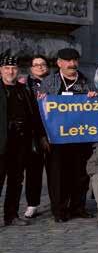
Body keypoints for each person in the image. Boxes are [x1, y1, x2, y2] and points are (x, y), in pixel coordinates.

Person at [38, 48, 98, 222]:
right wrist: (43, 136)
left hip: (81, 137)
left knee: (80, 174)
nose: (72, 64)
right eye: (68, 61)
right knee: (58, 176)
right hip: (57, 139)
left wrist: (95, 98)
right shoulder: (50, 82)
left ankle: (78, 207)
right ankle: (59, 210)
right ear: (59, 63)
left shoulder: (86, 81)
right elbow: (41, 112)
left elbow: (97, 109)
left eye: (75, 60)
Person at [0, 54, 46, 226]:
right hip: (2, 142)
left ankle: (11, 215)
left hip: (20, 142)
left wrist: (41, 136)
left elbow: (35, 116)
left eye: (13, 68)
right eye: (6, 68)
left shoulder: (24, 91)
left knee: (16, 181)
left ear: (18, 70)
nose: (10, 71)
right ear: (1, 70)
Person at [23, 55, 49, 219]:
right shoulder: (25, 84)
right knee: (33, 170)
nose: (40, 67)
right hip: (33, 132)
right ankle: (32, 203)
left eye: (43, 64)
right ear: (31, 68)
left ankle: (59, 201)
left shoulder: (54, 82)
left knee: (55, 170)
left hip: (53, 131)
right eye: (36, 65)